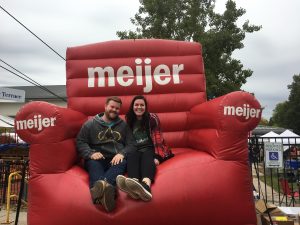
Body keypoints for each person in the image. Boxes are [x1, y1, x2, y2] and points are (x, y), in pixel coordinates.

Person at [76, 96, 136, 212]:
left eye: (117, 108)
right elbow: (80, 141)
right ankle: (109, 195)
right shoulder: (90, 124)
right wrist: (90, 153)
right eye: (112, 107)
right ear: (105, 106)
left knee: (122, 162)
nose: (114, 110)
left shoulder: (123, 126)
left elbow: (132, 144)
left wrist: (122, 153)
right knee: (93, 164)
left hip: (115, 158)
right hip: (97, 158)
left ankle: (99, 195)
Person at [116, 95, 174, 201]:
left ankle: (146, 186)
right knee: (132, 156)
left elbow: (158, 139)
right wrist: (122, 153)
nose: (139, 107)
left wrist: (158, 157)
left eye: (142, 105)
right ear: (132, 107)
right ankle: (133, 184)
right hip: (135, 148)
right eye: (136, 105)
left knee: (147, 156)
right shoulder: (129, 119)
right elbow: (127, 140)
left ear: (145, 107)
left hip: (151, 147)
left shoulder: (152, 118)